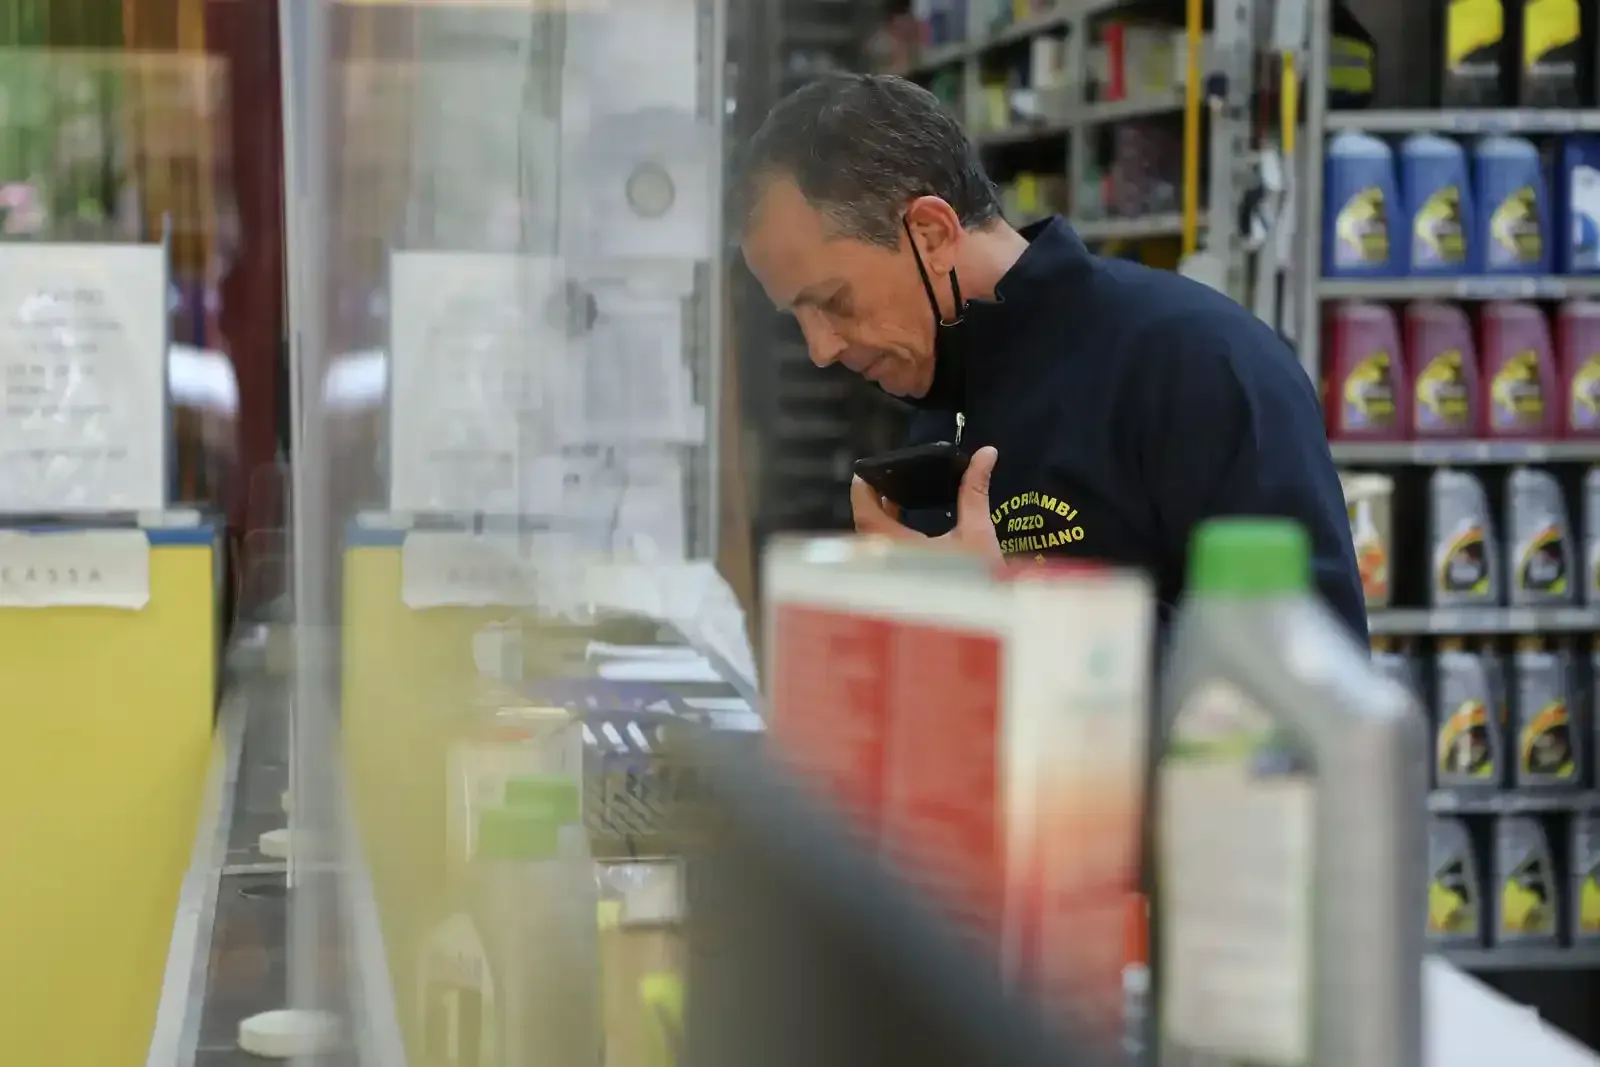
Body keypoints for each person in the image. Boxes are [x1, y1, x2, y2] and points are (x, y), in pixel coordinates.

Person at [732, 72, 1366, 638]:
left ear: (930, 233)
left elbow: (1306, 676)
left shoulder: (1197, 361)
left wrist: (1006, 606)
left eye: (834, 301)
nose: (821, 349)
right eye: (800, 319)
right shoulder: (946, 385)